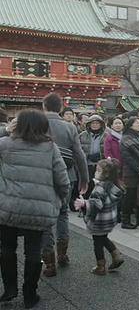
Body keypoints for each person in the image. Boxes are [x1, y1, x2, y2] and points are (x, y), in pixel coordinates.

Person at [0, 110, 70, 308]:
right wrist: (61, 199)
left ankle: (9, 290)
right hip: (38, 209)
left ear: (18, 125)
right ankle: (30, 295)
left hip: (7, 207)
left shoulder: (5, 145)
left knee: (6, 248)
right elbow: (62, 179)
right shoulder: (50, 148)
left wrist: (6, 130)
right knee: (33, 251)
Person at [40, 93, 89, 278]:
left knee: (45, 220)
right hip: (67, 176)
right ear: (61, 108)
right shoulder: (69, 127)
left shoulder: (37, 124)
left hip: (42, 176)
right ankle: (62, 253)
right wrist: (84, 178)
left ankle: (49, 261)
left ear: (44, 106)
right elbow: (79, 155)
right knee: (63, 214)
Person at [73, 158, 125, 275]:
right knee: (103, 239)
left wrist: (84, 204)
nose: (95, 172)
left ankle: (100, 266)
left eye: (98, 170)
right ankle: (117, 256)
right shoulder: (111, 186)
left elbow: (96, 204)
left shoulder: (99, 189)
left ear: (106, 174)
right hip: (108, 220)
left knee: (98, 243)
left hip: (99, 222)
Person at [79, 114, 107, 197]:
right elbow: (78, 149)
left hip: (100, 165)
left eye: (97, 123)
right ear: (89, 125)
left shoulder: (106, 136)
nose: (95, 125)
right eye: (93, 123)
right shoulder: (82, 135)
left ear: (101, 124)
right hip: (87, 164)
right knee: (87, 185)